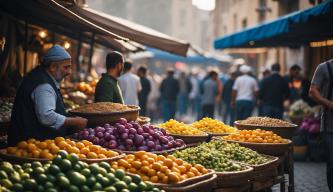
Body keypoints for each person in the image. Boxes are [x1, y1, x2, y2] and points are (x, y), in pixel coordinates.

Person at [8, 45, 87, 145]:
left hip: (32, 144)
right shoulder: (43, 85)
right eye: (66, 67)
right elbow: (46, 116)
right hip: (29, 146)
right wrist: (75, 122)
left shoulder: (40, 76)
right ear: (53, 66)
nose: (69, 72)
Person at [309, 59, 333, 192]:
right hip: (330, 125)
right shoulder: (324, 68)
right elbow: (313, 91)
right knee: (332, 162)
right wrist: (329, 104)